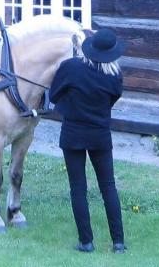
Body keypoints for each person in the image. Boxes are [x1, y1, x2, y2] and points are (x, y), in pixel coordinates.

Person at [48, 28, 126, 254]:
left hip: (73, 134)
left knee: (78, 189)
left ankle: (86, 242)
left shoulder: (71, 68)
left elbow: (53, 95)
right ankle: (118, 243)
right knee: (108, 187)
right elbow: (110, 101)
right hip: (101, 135)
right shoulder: (115, 75)